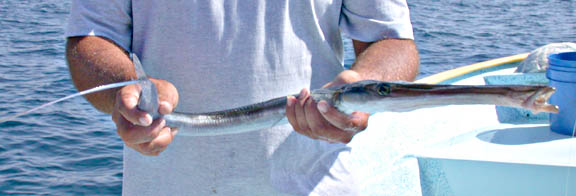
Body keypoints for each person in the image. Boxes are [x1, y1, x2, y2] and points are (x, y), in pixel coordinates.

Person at [65, 0, 419, 195]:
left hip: (317, 185)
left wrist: (360, 86)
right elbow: (91, 39)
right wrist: (128, 91)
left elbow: (392, 41)